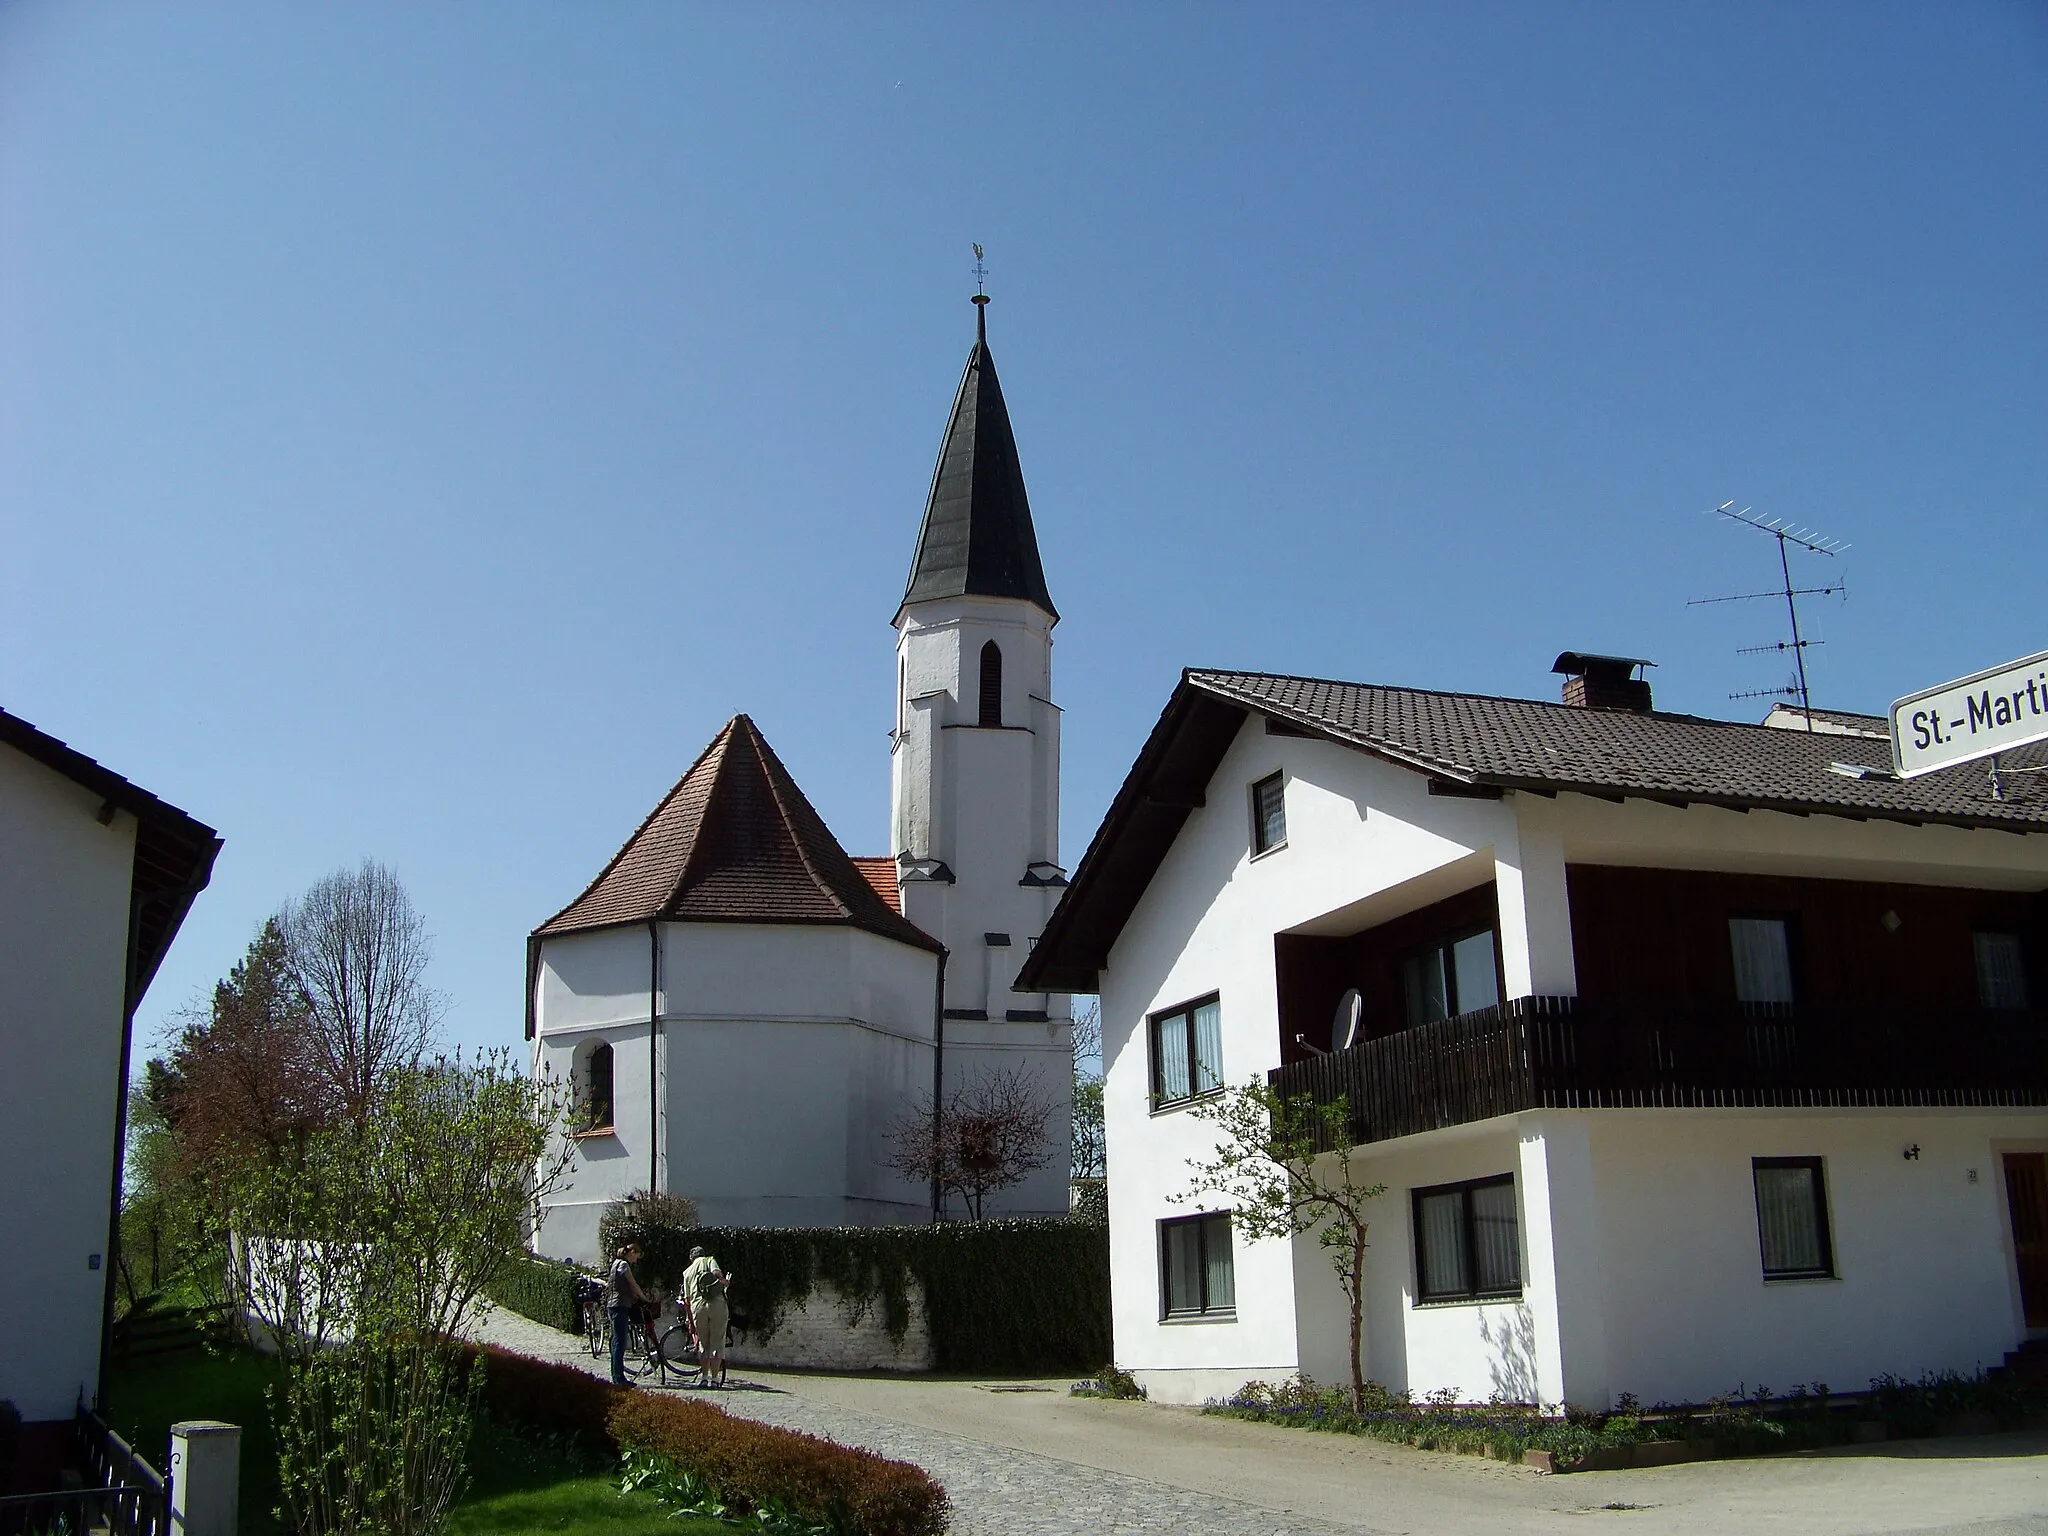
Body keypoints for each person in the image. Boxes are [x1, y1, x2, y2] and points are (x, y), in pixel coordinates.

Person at [679, 1244, 731, 1387]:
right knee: (717, 1342)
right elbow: (716, 1274)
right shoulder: (709, 1260)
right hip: (717, 1305)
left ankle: (704, 1377)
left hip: (698, 1308)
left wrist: (690, 1320)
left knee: (703, 1344)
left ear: (691, 1258)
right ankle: (714, 1380)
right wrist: (725, 1282)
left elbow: (687, 1300)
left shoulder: (687, 1272)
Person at [606, 1239, 651, 1387]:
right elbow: (632, 1284)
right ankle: (619, 1378)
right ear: (632, 1252)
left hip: (612, 1305)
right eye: (636, 1256)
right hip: (620, 1305)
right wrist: (644, 1298)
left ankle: (616, 1375)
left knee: (615, 1341)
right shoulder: (624, 1265)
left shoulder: (615, 1263)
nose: (636, 1260)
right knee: (620, 1342)